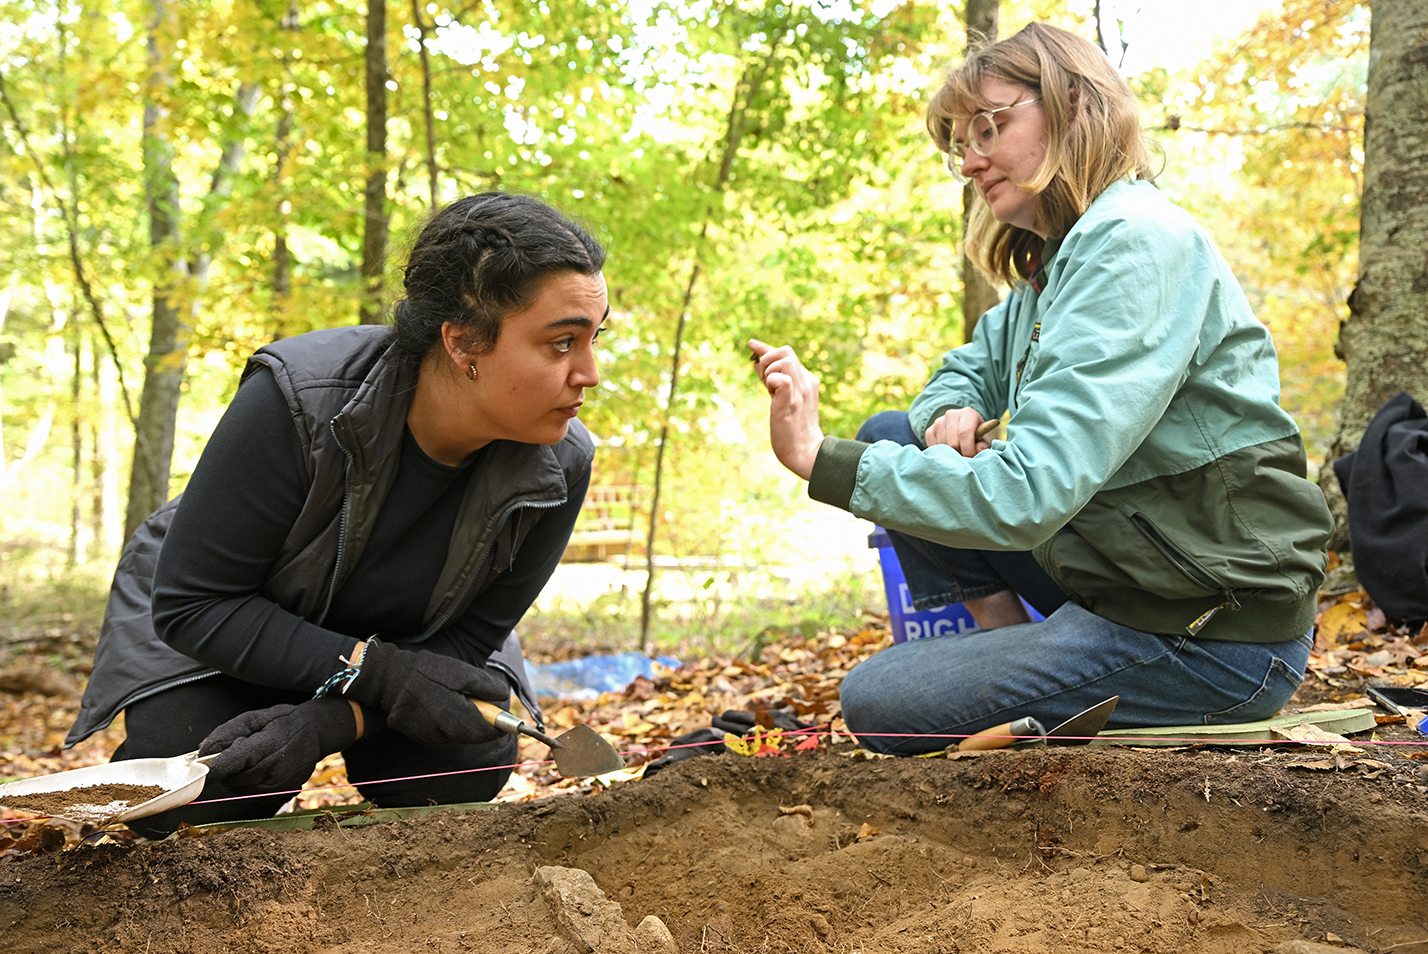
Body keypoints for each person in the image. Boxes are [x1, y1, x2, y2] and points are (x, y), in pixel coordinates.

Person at [749, 23, 1334, 755]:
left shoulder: (1135, 244)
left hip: (1214, 633)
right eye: (959, 143)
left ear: (1072, 107)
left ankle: (1054, 672)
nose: (968, 160)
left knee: (879, 698)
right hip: (1122, 581)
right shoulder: (1053, 267)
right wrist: (946, 411)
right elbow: (963, 370)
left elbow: (1029, 493)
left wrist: (814, 457)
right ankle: (1035, 658)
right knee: (892, 432)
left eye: (988, 128)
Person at [66, 192, 609, 834]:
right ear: (464, 342)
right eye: (562, 343)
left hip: (400, 651)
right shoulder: (297, 401)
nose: (590, 373)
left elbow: (467, 642)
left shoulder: (560, 462)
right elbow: (195, 602)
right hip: (232, 633)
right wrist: (371, 672)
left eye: (595, 338)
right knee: (209, 780)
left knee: (466, 761)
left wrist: (330, 720)